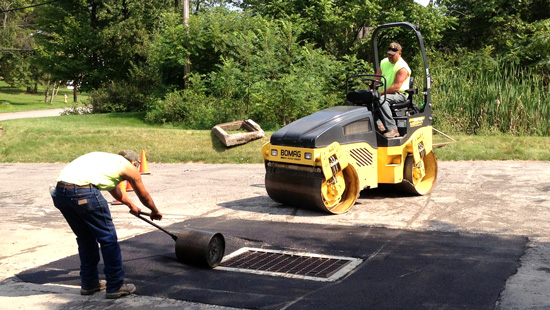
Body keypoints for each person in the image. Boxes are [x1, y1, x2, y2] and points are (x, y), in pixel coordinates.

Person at [51, 150, 162, 299]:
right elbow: (143, 194)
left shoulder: (106, 162)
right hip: (83, 193)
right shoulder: (128, 167)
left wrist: (131, 205)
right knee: (108, 239)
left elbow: (115, 190)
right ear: (135, 163)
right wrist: (154, 211)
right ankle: (115, 286)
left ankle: (89, 284)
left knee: (85, 238)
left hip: (61, 193)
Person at [375, 42, 411, 138]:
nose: (389, 57)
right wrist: (370, 90)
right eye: (388, 54)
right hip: (384, 93)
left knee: (381, 99)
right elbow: (376, 79)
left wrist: (379, 94)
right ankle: (379, 127)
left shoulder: (402, 67)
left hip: (399, 95)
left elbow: (396, 87)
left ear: (399, 53)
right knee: (366, 99)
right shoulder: (384, 62)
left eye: (392, 55)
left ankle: (393, 129)